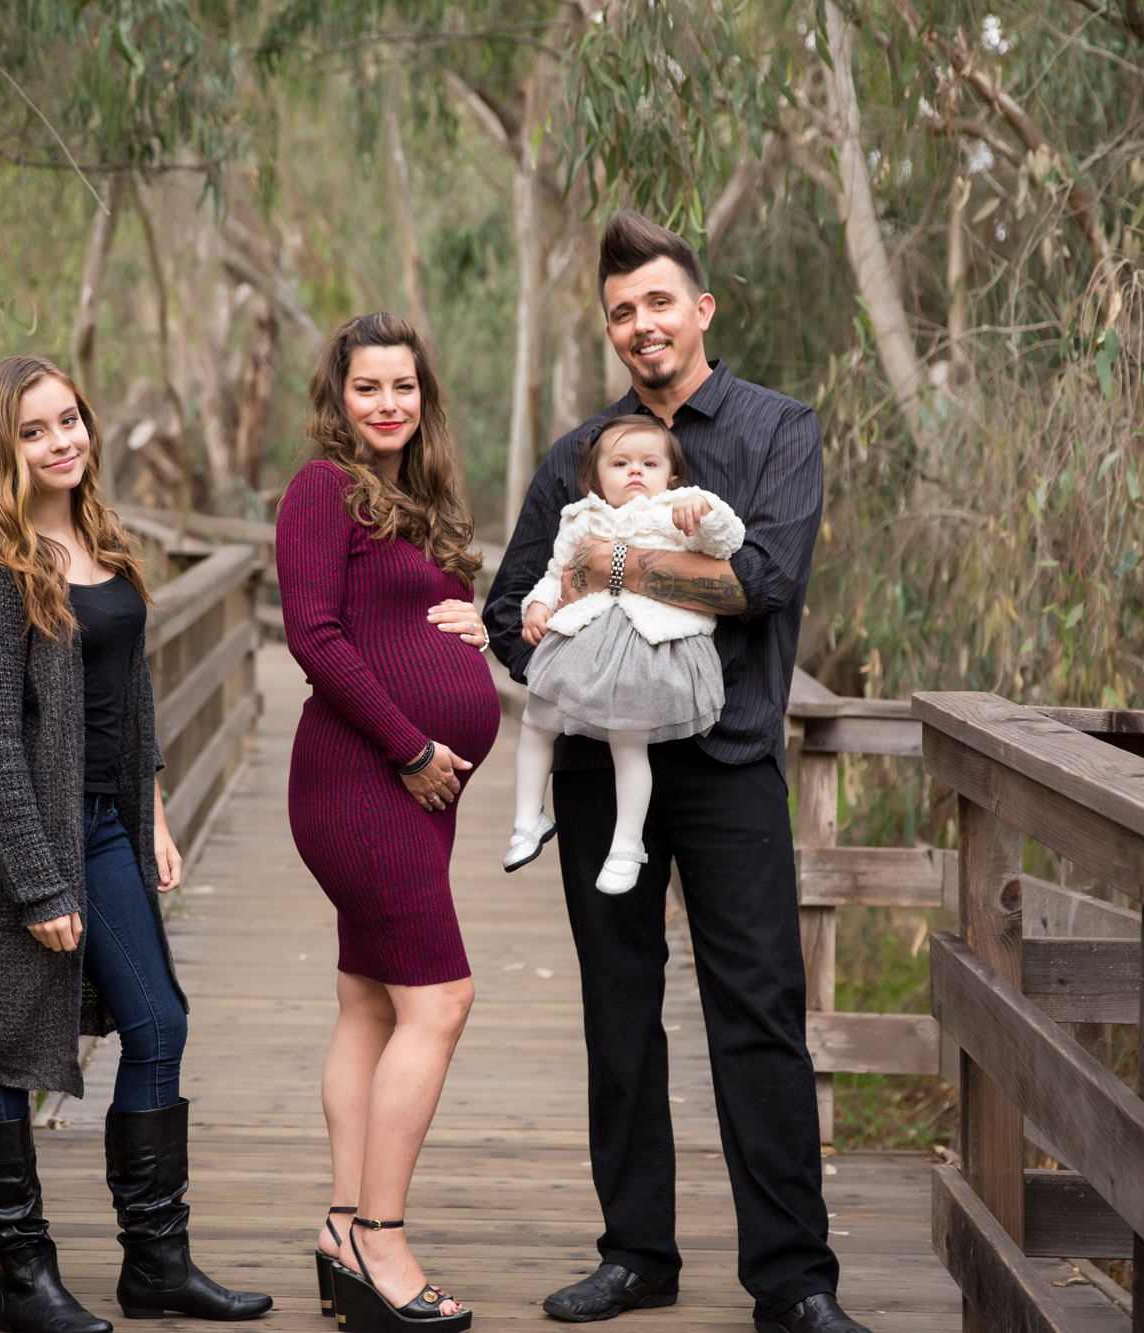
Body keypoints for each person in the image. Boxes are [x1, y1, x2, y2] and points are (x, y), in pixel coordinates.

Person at [483, 214, 873, 1333]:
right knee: (617, 1010)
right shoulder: (577, 453)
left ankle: (793, 1279)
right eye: (619, 311)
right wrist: (567, 662)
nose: (639, 324)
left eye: (657, 302)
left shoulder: (774, 429)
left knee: (757, 1010)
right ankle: (635, 1255)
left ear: (699, 309)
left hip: (729, 761)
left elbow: (762, 580)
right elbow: (513, 605)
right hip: (603, 775)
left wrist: (615, 561)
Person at [0, 354, 272, 1333]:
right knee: (3, 1046)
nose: (62, 440)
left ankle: (156, 1263)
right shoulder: (0, 578)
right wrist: (39, 885)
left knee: (158, 1023)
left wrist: (156, 813)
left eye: (69, 419)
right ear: (4, 454)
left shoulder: (105, 546)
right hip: (25, 843)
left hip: (105, 826)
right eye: (36, 431)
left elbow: (130, 695)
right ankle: (20, 1275)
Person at [275, 313, 500, 1333]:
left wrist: (474, 625)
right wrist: (411, 745)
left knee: (370, 999)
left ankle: (337, 1226)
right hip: (364, 778)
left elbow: (403, 621)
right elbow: (313, 634)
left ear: (423, 397)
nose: (386, 404)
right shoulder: (320, 490)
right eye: (366, 387)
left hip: (412, 790)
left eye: (402, 387)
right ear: (339, 398)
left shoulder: (416, 507)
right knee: (438, 1000)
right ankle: (381, 1237)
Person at [505, 414, 744, 893]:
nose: (635, 472)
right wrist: (538, 604)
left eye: (649, 463)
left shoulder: (679, 507)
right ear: (596, 478)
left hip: (646, 646)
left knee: (628, 742)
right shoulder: (581, 516)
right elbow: (557, 571)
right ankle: (527, 817)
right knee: (536, 721)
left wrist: (702, 512)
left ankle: (627, 843)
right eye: (620, 463)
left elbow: (727, 542)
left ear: (670, 476)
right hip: (583, 642)